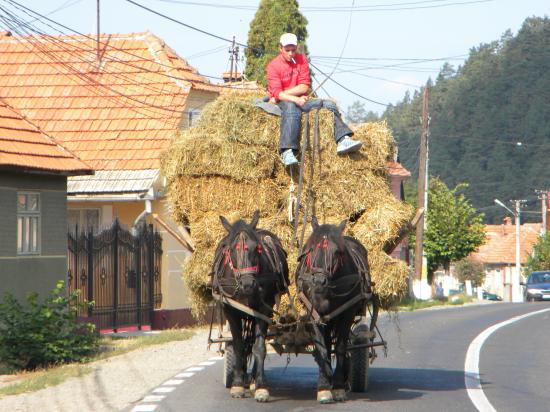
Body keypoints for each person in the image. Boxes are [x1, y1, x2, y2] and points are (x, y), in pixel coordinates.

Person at [266, 33, 363, 166]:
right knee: (290, 107)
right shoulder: (273, 66)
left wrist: (283, 94)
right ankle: (287, 151)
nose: (291, 53)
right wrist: (289, 97)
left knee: (329, 104)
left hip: (299, 99)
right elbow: (279, 95)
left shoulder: (301, 59)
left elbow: (304, 86)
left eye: (293, 50)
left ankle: (342, 139)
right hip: (283, 103)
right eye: (287, 50)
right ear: (280, 48)